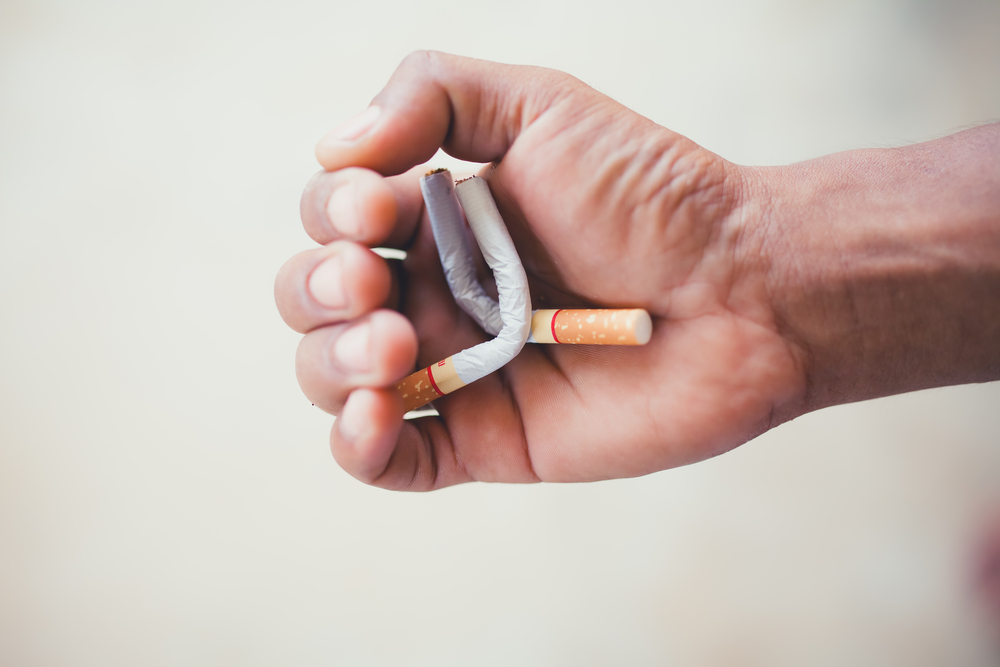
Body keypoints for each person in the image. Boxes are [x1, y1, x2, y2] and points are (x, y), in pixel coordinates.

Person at [274, 51, 1000, 492]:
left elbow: (500, 321)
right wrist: (763, 277)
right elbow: (501, 323)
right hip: (510, 329)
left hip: (511, 326)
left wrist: (754, 266)